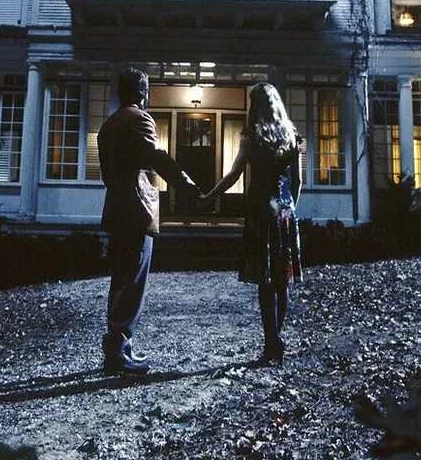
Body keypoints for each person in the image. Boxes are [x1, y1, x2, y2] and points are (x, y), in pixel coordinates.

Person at [98, 67, 201, 375]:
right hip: (137, 210)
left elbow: (107, 174)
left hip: (116, 210)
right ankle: (119, 350)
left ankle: (117, 347)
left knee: (120, 280)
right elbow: (158, 157)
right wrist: (188, 185)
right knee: (132, 283)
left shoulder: (108, 125)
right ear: (143, 92)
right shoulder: (140, 119)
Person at [197, 82, 303, 364]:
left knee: (265, 282)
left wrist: (209, 198)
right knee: (281, 280)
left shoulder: (253, 135)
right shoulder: (291, 135)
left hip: (260, 211)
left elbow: (234, 174)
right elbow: (297, 181)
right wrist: (289, 209)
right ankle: (276, 339)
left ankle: (272, 343)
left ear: (254, 106)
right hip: (285, 212)